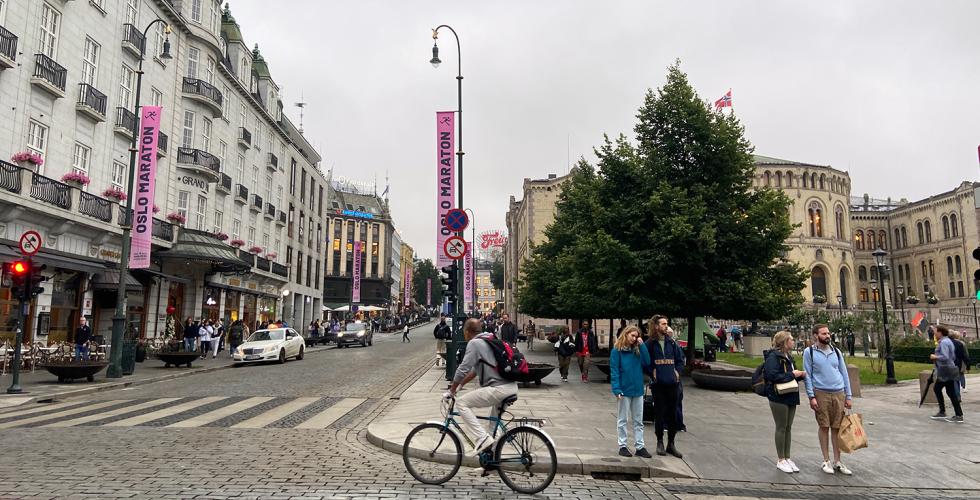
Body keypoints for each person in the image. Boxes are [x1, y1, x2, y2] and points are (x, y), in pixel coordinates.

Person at [446, 318, 519, 454]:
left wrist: (452, 389)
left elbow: (463, 368)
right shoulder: (489, 339)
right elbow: (474, 371)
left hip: (498, 389)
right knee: (492, 426)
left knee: (461, 403)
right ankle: (492, 462)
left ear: (467, 332)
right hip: (510, 386)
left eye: (464, 332)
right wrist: (460, 385)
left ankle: (481, 439)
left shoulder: (475, 343)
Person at [803, 324, 854, 475]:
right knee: (824, 426)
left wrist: (848, 396)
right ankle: (826, 460)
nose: (827, 336)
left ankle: (838, 461)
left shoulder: (836, 352)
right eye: (824, 333)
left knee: (837, 428)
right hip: (821, 393)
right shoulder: (809, 352)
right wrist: (811, 396)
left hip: (838, 393)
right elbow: (808, 376)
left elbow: (844, 374)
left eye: (828, 333)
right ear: (815, 335)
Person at [765, 331, 807, 473]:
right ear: (784, 342)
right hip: (778, 395)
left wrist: (800, 375)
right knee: (781, 427)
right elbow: (771, 375)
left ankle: (787, 457)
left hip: (790, 394)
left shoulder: (788, 356)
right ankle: (780, 459)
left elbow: (789, 376)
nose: (794, 342)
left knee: (788, 427)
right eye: (791, 339)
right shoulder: (773, 356)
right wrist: (792, 374)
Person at [644, 315, 684, 458]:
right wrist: (651, 372)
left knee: (672, 414)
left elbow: (680, 360)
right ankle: (659, 442)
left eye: (666, 324)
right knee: (659, 414)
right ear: (656, 326)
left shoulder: (672, 343)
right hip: (658, 384)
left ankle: (671, 444)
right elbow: (645, 361)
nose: (665, 326)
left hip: (673, 384)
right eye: (663, 324)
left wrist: (678, 373)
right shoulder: (650, 344)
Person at [610, 325, 652, 458]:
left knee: (638, 420)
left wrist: (642, 345)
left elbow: (647, 362)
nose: (634, 338)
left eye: (636, 336)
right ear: (626, 334)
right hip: (624, 390)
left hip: (637, 389)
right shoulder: (617, 350)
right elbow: (614, 370)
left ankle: (640, 446)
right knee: (623, 419)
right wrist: (616, 388)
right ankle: (622, 445)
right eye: (632, 336)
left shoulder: (637, 349)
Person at [930, 325, 964, 423]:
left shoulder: (944, 342)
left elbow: (945, 356)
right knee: (951, 392)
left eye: (935, 332)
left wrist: (935, 357)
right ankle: (958, 414)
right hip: (949, 368)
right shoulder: (948, 341)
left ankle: (943, 412)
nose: (934, 334)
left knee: (937, 389)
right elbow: (952, 357)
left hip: (945, 370)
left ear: (940, 332)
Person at [950, 330, 971, 395]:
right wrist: (968, 365)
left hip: (954, 362)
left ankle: (958, 394)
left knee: (956, 379)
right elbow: (966, 354)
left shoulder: (949, 343)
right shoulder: (961, 343)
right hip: (960, 362)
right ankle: (963, 387)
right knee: (961, 374)